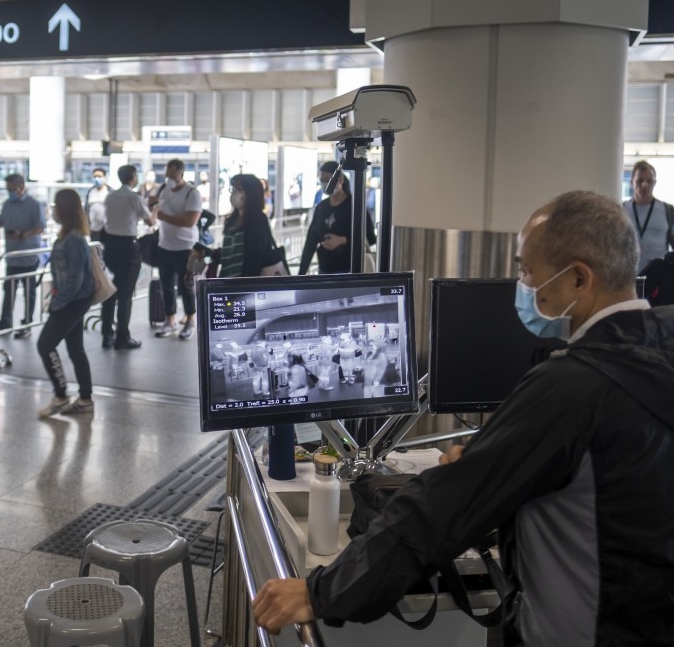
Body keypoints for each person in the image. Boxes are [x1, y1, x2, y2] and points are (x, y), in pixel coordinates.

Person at [253, 190, 674, 646]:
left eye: (527, 271)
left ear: (577, 279)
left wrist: (321, 592)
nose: (523, 286)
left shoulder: (572, 387)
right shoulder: (659, 349)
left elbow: (442, 509)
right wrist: (495, 456)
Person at [37, 189, 95, 418]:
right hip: (74, 300)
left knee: (45, 344)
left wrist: (58, 302)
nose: (52, 211)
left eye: (55, 206)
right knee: (75, 349)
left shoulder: (74, 240)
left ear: (64, 209)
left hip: (73, 301)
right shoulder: (68, 235)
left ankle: (61, 396)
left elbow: (75, 278)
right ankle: (85, 399)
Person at [100, 164, 154, 350]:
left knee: (109, 292)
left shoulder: (110, 196)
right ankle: (122, 337)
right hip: (128, 247)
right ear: (132, 178)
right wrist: (155, 209)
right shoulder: (134, 197)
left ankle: (107, 335)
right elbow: (150, 221)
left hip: (110, 247)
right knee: (125, 295)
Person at [148, 158, 202, 340]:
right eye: (167, 173)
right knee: (166, 286)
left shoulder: (191, 193)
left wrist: (161, 215)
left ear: (181, 173)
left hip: (186, 247)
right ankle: (169, 320)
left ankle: (190, 321)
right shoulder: (163, 189)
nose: (170, 176)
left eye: (173, 173)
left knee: (187, 286)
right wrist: (152, 203)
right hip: (164, 245)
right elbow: (152, 206)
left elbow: (190, 221)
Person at [0, 173, 45, 339]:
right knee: (8, 290)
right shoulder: (7, 204)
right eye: (8, 190)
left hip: (28, 254)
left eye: (12, 189)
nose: (10, 193)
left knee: (29, 291)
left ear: (21, 188)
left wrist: (23, 235)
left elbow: (40, 227)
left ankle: (27, 323)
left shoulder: (34, 205)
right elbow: (0, 221)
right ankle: (5, 322)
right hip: (12, 255)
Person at [299, 166, 376, 275]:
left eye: (327, 179)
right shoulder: (321, 208)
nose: (324, 183)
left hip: (350, 270)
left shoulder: (355, 206)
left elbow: (370, 238)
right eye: (321, 180)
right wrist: (301, 273)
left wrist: (343, 240)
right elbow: (311, 241)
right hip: (324, 270)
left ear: (340, 179)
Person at [209, 174, 273, 278]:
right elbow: (233, 252)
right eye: (233, 189)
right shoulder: (232, 220)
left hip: (244, 284)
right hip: (227, 282)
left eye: (239, 189)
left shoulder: (257, 220)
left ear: (251, 193)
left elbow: (257, 257)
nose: (234, 193)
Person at [622, 160, 674, 273]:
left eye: (649, 181)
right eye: (640, 181)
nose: (645, 185)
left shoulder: (668, 211)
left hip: (658, 277)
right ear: (632, 182)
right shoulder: (621, 210)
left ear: (655, 183)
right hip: (626, 276)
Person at [85, 167, 111, 242]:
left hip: (107, 229)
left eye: (99, 176)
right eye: (95, 176)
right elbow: (86, 210)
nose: (97, 178)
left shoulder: (110, 192)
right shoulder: (90, 192)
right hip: (93, 229)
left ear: (105, 178)